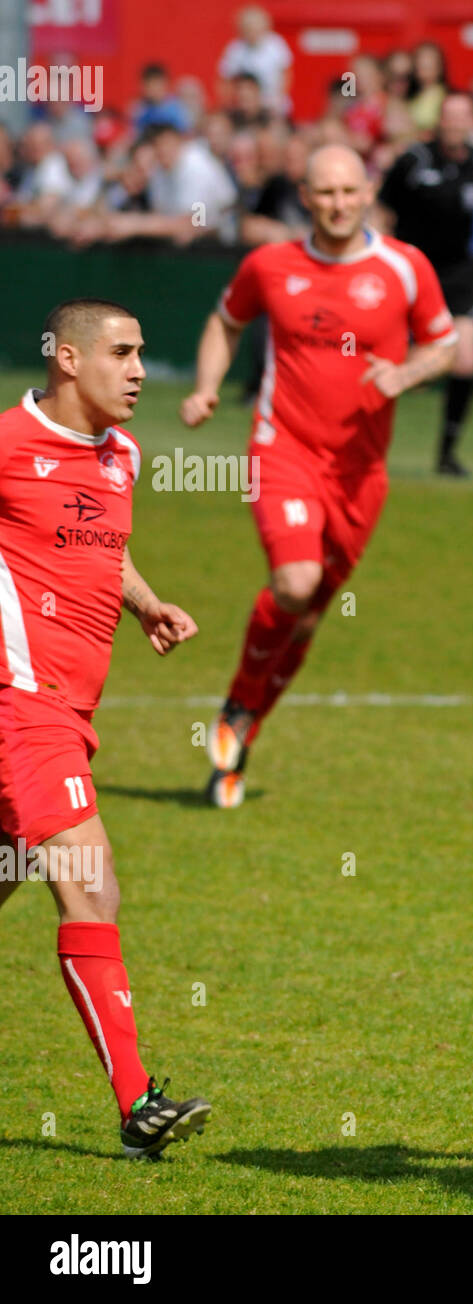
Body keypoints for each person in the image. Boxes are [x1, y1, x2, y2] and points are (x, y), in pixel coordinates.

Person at [178, 145, 458, 807]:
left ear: (367, 193)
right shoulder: (270, 265)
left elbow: (444, 345)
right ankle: (238, 707)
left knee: (305, 619)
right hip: (284, 449)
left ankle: (241, 729)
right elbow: (226, 320)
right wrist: (206, 387)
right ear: (305, 197)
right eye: (323, 192)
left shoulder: (405, 266)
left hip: (362, 472)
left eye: (348, 191)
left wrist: (405, 373)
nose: (337, 203)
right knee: (295, 582)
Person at [0, 299, 210, 1157]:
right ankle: (138, 1104)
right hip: (20, 700)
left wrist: (146, 601)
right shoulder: (8, 444)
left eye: (142, 353)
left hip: (71, 710)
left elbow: (102, 545)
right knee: (93, 881)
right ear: (68, 360)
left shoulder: (122, 455)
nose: (136, 371)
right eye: (121, 354)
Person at [378, 93, 473, 477]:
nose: (455, 123)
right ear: (439, 120)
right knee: (386, 358)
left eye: (464, 116)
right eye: (449, 115)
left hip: (460, 274)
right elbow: (381, 209)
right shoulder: (414, 161)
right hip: (411, 270)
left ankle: (447, 453)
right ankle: (359, 444)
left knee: (466, 358)